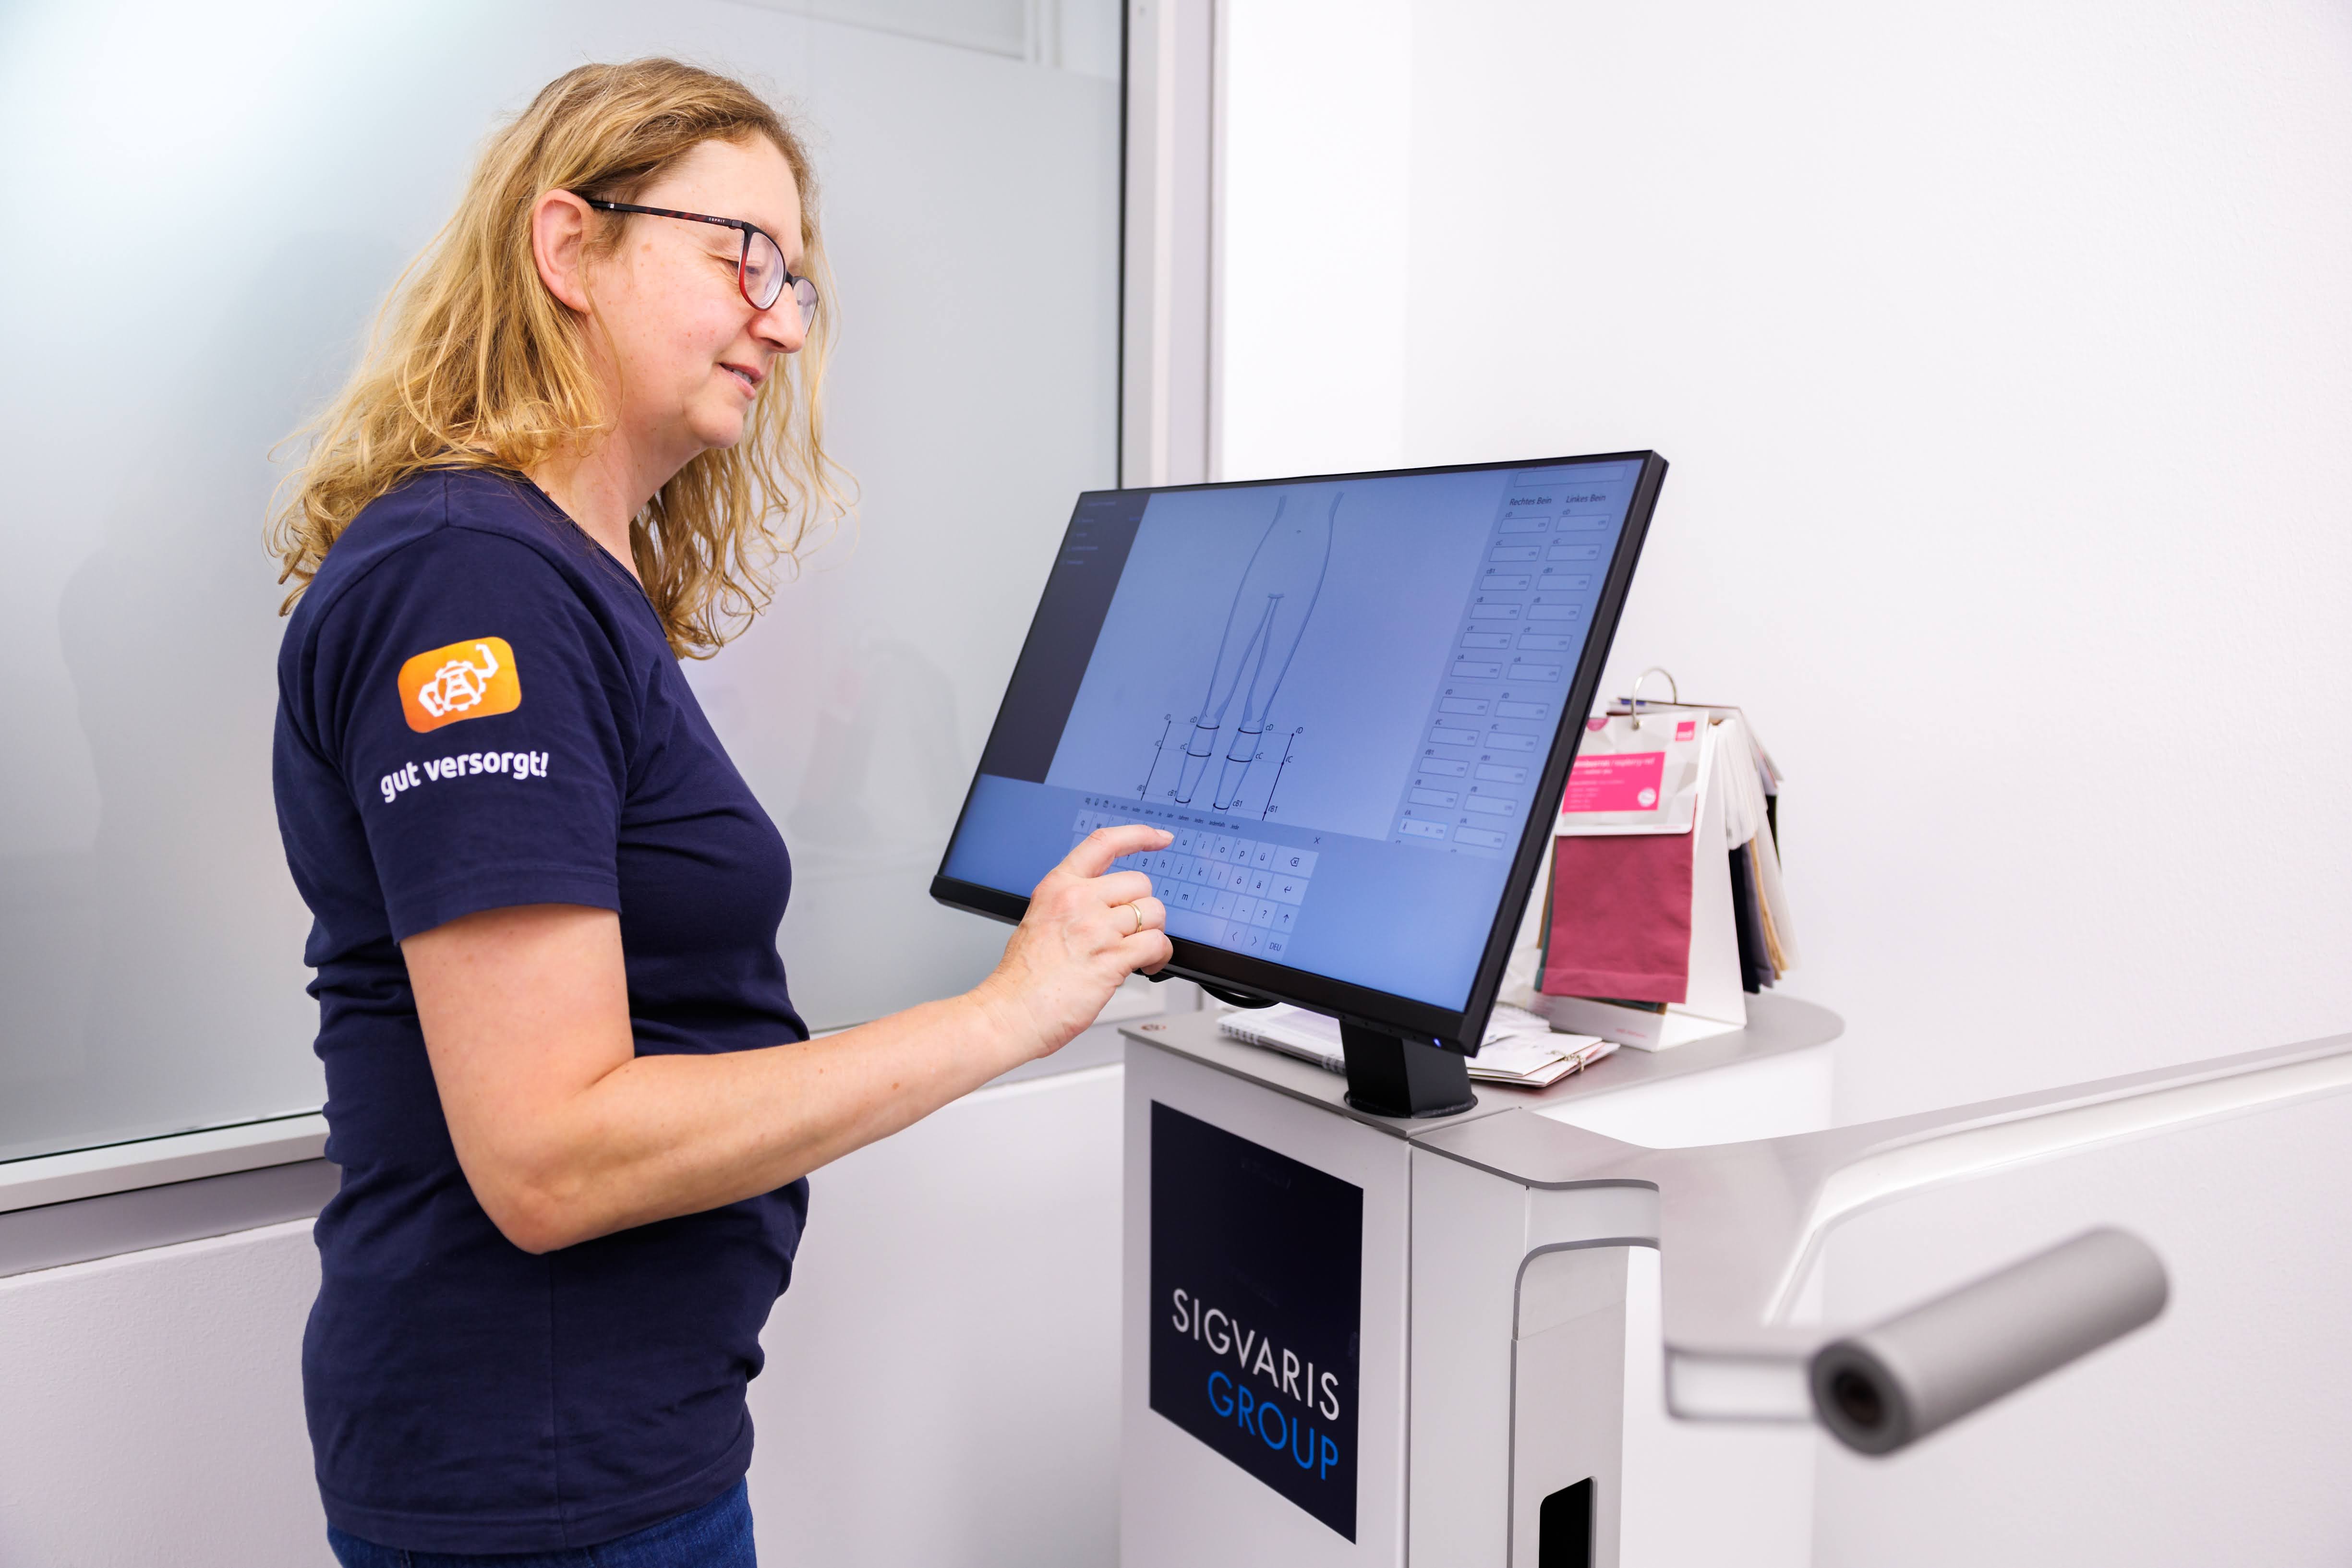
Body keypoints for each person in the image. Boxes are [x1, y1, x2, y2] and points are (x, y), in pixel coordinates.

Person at [268, 58, 1170, 1565]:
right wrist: (1002, 1014)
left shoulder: (563, 576)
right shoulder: (472, 582)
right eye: (740, 255)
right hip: (539, 1485)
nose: (783, 319)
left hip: (612, 1445)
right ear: (570, 247)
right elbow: (551, 1154)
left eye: (795, 279)